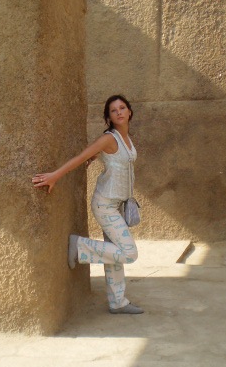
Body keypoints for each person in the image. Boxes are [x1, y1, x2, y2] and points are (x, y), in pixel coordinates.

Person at [32, 95, 143, 315]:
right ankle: (80, 246)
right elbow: (81, 157)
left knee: (114, 256)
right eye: (113, 110)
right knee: (129, 253)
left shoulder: (127, 139)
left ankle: (118, 302)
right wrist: (55, 175)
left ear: (129, 111)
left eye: (122, 108)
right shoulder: (108, 138)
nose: (119, 112)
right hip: (105, 205)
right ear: (109, 117)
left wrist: (98, 157)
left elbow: (113, 160)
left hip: (119, 205)